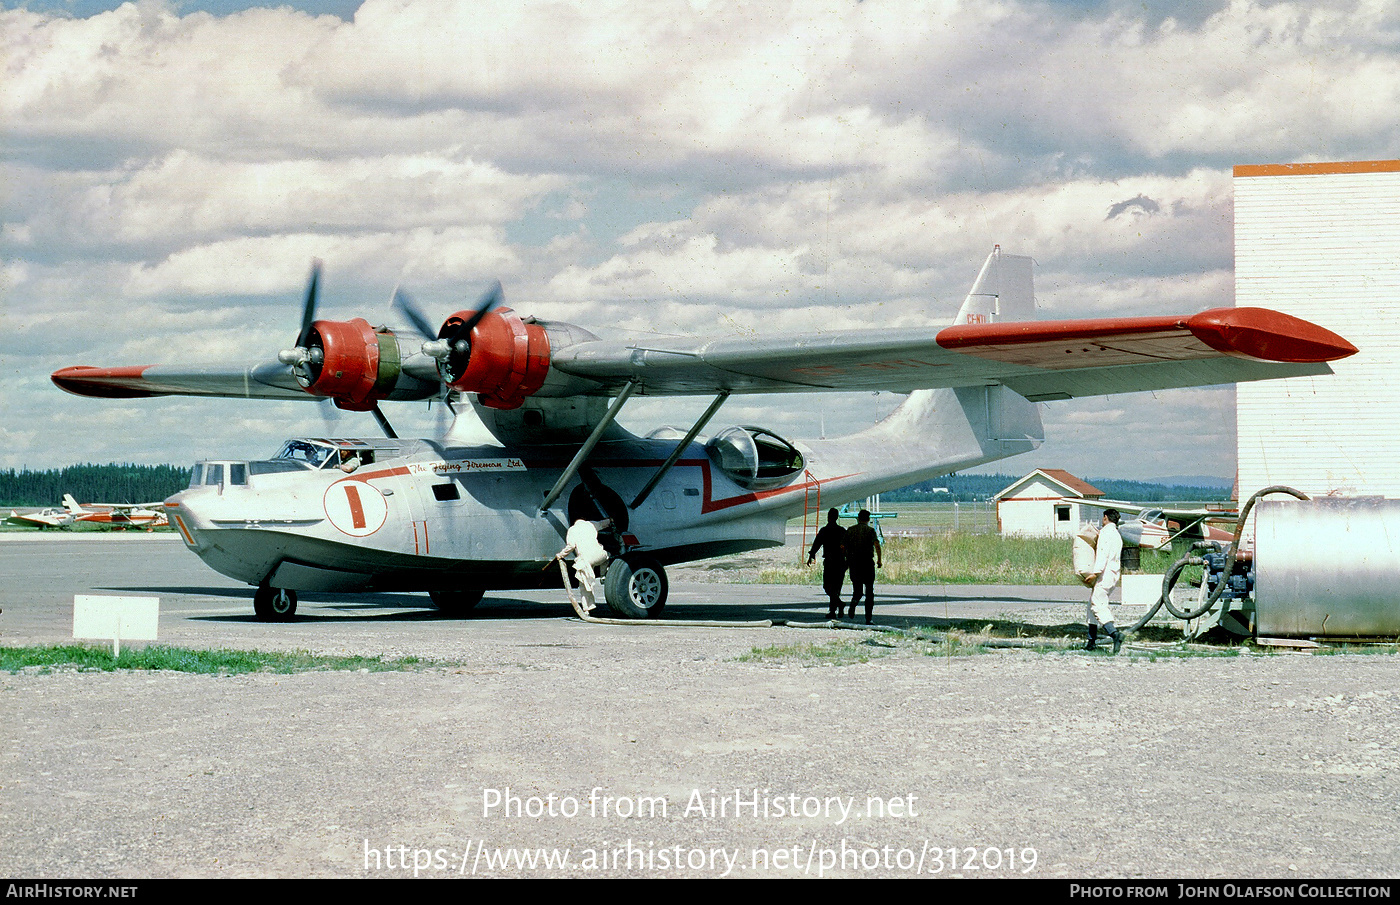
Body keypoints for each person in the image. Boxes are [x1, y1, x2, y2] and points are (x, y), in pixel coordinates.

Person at [1086, 508, 1125, 654]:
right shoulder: (1117, 535)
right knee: (1091, 604)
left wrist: (1095, 573)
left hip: (1105, 574)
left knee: (1098, 605)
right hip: (1114, 574)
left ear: (1105, 518)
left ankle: (1115, 634)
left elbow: (1102, 554)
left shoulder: (1105, 533)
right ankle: (1091, 641)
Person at [842, 509, 882, 624]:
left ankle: (854, 603)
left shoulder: (850, 530)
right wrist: (879, 560)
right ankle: (868, 618)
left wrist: (846, 559)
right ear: (868, 519)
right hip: (868, 563)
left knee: (857, 590)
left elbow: (843, 546)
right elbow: (877, 545)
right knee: (869, 592)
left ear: (858, 518)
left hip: (854, 564)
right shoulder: (870, 531)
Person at [807, 508, 848, 619]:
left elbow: (817, 544)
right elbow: (848, 546)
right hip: (840, 562)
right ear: (837, 517)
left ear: (828, 517)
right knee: (836, 588)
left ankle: (834, 609)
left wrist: (811, 555)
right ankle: (837, 606)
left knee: (828, 586)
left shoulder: (824, 530)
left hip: (830, 562)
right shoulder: (842, 531)